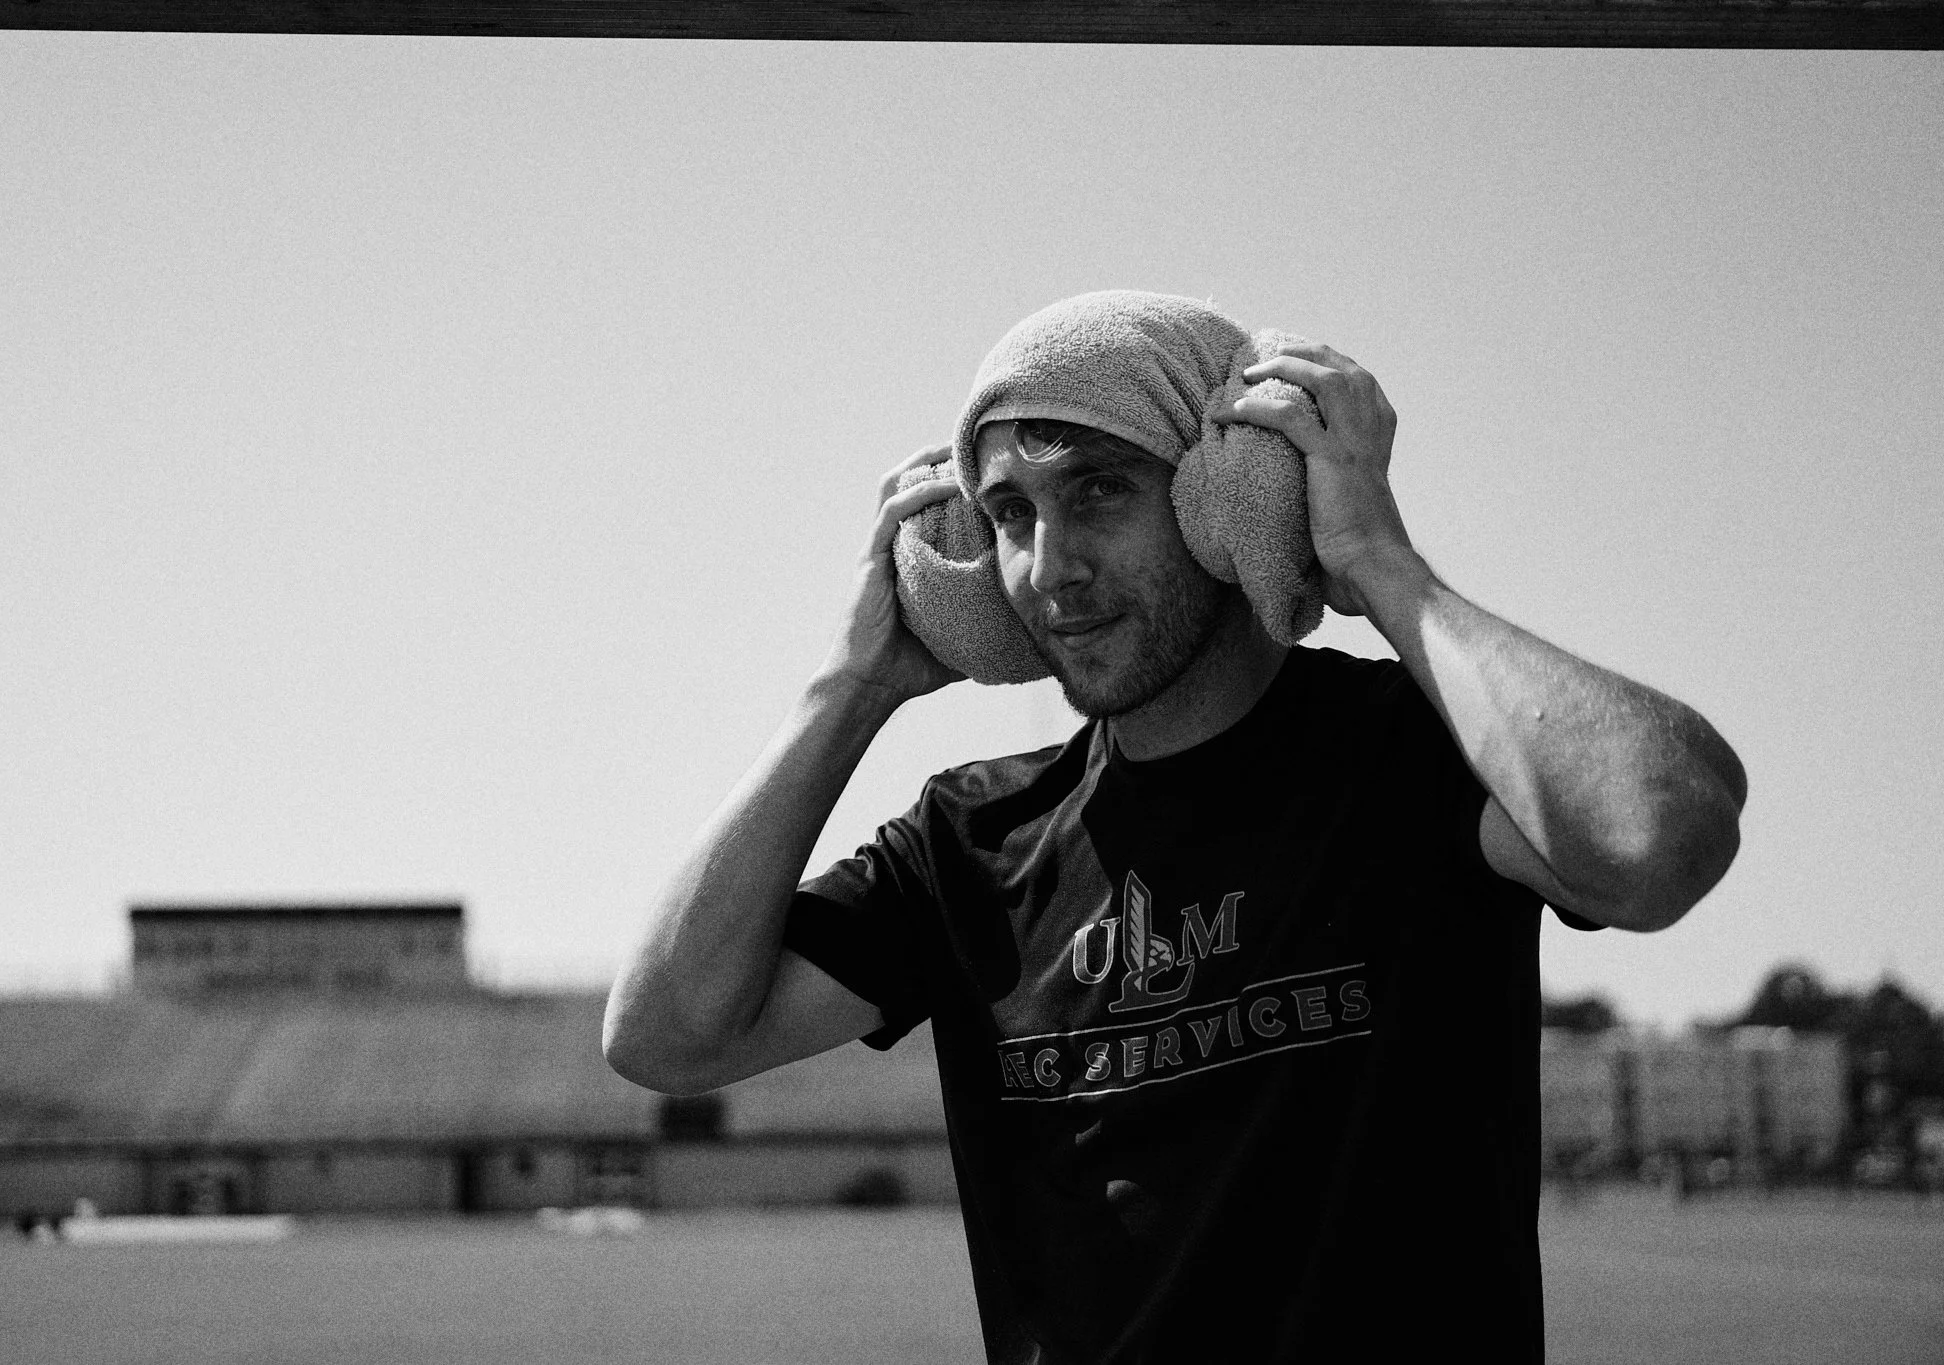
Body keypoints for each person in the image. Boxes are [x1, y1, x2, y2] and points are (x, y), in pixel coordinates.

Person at [604, 292, 1746, 1364]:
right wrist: (847, 690)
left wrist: (1376, 564)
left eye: (1097, 492)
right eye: (1008, 515)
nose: (1046, 571)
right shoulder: (968, 844)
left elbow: (1656, 840)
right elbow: (665, 1037)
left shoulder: (1409, 756)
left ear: (1226, 495)